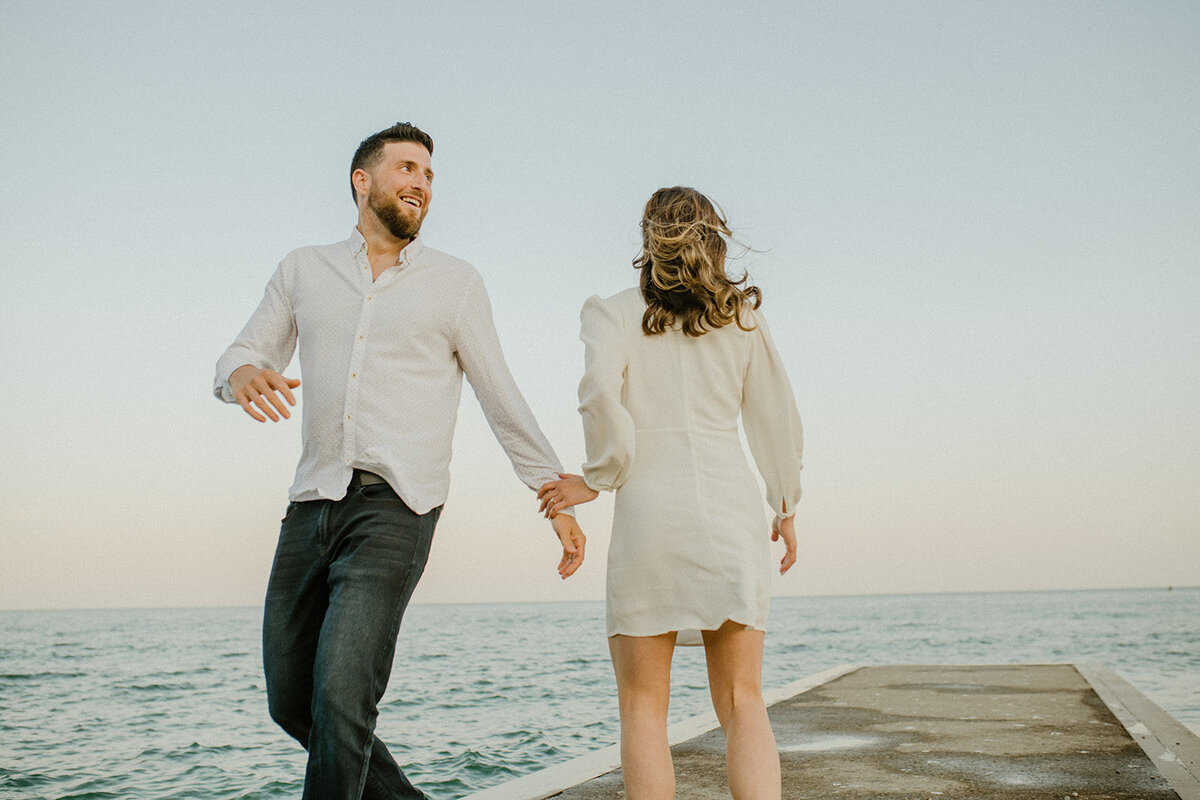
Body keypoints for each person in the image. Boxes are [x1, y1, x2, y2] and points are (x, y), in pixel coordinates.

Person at [212, 122, 586, 800]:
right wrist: (241, 375)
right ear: (363, 180)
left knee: (341, 697)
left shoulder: (456, 283)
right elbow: (242, 351)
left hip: (397, 508)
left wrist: (549, 488)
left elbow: (498, 390)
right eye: (408, 168)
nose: (422, 183)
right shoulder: (303, 268)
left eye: (430, 176)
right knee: (293, 700)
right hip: (310, 505)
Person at [538, 186, 802, 800]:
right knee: (743, 700)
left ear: (648, 237)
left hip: (649, 514)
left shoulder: (613, 312)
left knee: (642, 708)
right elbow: (776, 416)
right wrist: (785, 504)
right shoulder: (741, 318)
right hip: (730, 509)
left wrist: (599, 477)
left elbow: (599, 396)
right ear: (714, 236)